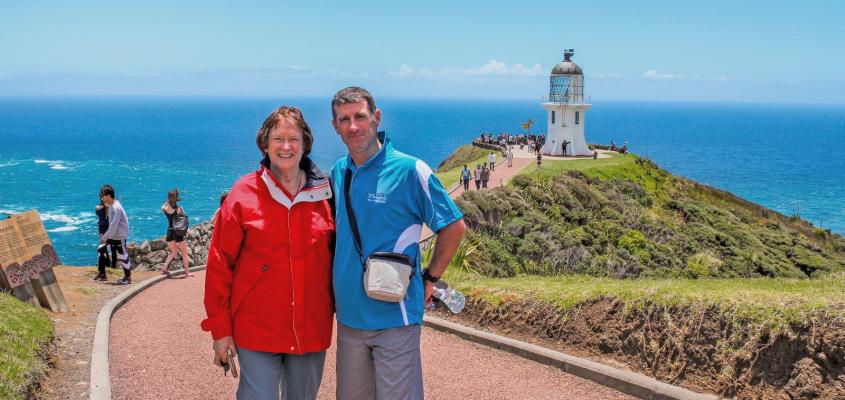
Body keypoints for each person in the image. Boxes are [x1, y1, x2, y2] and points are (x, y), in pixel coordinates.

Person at [330, 87, 466, 400]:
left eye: (360, 117)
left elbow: (454, 227)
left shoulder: (410, 170)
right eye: (344, 119)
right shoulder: (340, 171)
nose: (353, 126)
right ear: (335, 126)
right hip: (349, 318)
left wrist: (430, 278)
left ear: (376, 118)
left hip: (396, 316)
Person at [202, 106, 335, 400]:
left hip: (311, 329)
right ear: (265, 144)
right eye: (278, 138)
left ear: (305, 144)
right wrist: (220, 331)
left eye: (294, 139)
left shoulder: (326, 193)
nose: (286, 147)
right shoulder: (243, 193)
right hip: (256, 328)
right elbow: (219, 264)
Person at [99, 185, 132, 285]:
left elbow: (113, 225)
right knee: (101, 249)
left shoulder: (116, 208)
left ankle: (127, 277)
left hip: (119, 235)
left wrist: (104, 237)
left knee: (123, 255)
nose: (102, 197)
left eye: (103, 195)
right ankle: (102, 273)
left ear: (108, 195)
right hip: (115, 235)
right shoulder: (111, 206)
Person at [160, 188, 193, 278]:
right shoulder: (179, 208)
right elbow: (185, 218)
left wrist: (167, 202)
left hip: (170, 231)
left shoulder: (166, 208)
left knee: (173, 252)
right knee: (184, 253)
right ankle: (187, 273)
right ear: (176, 198)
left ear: (168, 198)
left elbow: (162, 207)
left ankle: (164, 268)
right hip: (178, 232)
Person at [92, 200, 109, 282]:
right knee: (101, 252)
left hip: (108, 232)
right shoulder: (101, 206)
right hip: (102, 231)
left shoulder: (111, 208)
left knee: (102, 251)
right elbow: (97, 208)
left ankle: (102, 274)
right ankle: (102, 273)